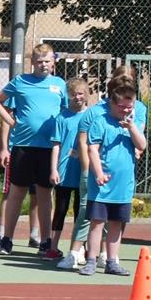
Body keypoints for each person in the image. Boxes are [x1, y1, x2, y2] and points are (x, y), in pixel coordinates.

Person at [0, 42, 64, 257]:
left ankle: (45, 241)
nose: (44, 65)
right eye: (40, 61)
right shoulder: (20, 81)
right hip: (23, 146)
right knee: (16, 193)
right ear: (32, 62)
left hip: (49, 148)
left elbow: (68, 113)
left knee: (44, 195)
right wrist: (10, 121)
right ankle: (6, 239)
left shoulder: (59, 84)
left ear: (53, 62)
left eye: (47, 61)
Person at [79, 69, 148, 276]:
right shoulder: (100, 121)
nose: (126, 111)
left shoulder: (131, 124)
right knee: (97, 223)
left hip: (123, 185)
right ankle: (91, 260)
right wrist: (98, 173)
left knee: (116, 224)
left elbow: (142, 145)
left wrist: (131, 128)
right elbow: (92, 149)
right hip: (102, 185)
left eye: (130, 107)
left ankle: (112, 261)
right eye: (122, 107)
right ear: (112, 104)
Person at [48, 73, 97, 268]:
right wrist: (54, 169)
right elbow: (56, 145)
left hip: (84, 171)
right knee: (60, 208)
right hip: (64, 170)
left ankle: (79, 250)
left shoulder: (92, 116)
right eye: (74, 94)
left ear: (87, 94)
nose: (78, 97)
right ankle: (53, 246)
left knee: (81, 211)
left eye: (81, 93)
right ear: (68, 95)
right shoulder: (62, 117)